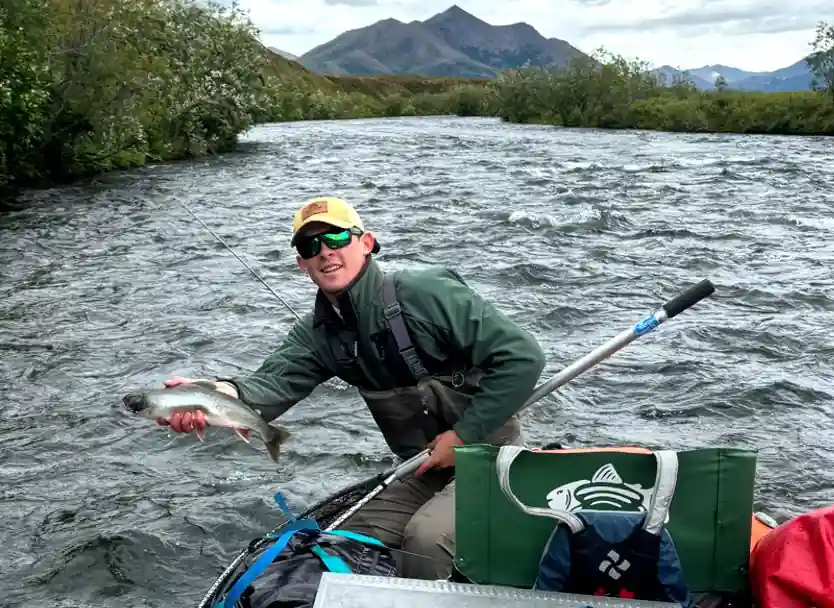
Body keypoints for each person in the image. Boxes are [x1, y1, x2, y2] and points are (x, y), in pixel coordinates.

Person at [159, 195, 546, 581]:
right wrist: (215, 395)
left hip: (490, 458)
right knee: (346, 542)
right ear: (301, 264)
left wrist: (464, 435)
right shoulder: (318, 335)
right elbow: (265, 387)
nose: (325, 252)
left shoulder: (426, 293)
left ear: (366, 242)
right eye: (311, 246)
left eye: (337, 238)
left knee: (426, 539)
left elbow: (523, 357)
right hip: (421, 467)